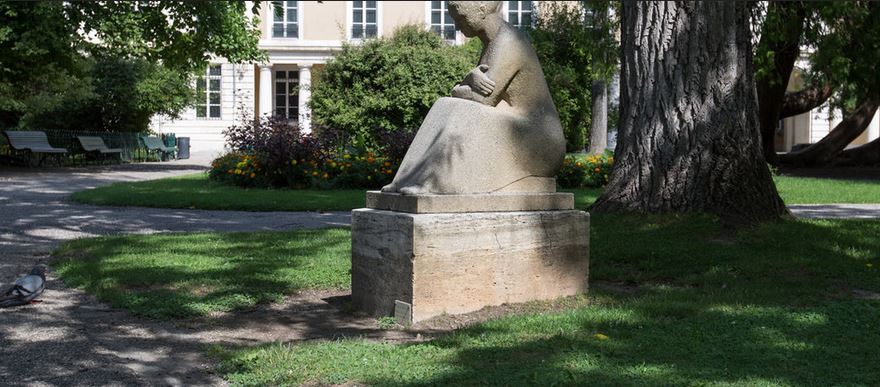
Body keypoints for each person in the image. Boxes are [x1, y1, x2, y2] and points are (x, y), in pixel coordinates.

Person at [381, 0, 564, 195]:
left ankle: (435, 184)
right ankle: (403, 180)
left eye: (461, 18)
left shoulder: (509, 41)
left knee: (462, 110)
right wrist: (466, 83)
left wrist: (462, 86)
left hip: (539, 140)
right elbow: (476, 92)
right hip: (515, 125)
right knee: (443, 104)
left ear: (482, 9)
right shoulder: (492, 43)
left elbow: (483, 99)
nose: (457, 25)